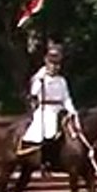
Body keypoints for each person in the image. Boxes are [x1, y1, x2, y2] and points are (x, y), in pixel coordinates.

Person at [22, 41, 78, 174]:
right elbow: (34, 93)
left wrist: (72, 110)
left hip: (60, 110)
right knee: (49, 131)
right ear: (47, 64)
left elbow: (66, 98)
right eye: (52, 64)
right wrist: (39, 78)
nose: (54, 67)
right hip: (45, 110)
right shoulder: (40, 78)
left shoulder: (62, 81)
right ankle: (45, 161)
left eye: (57, 64)